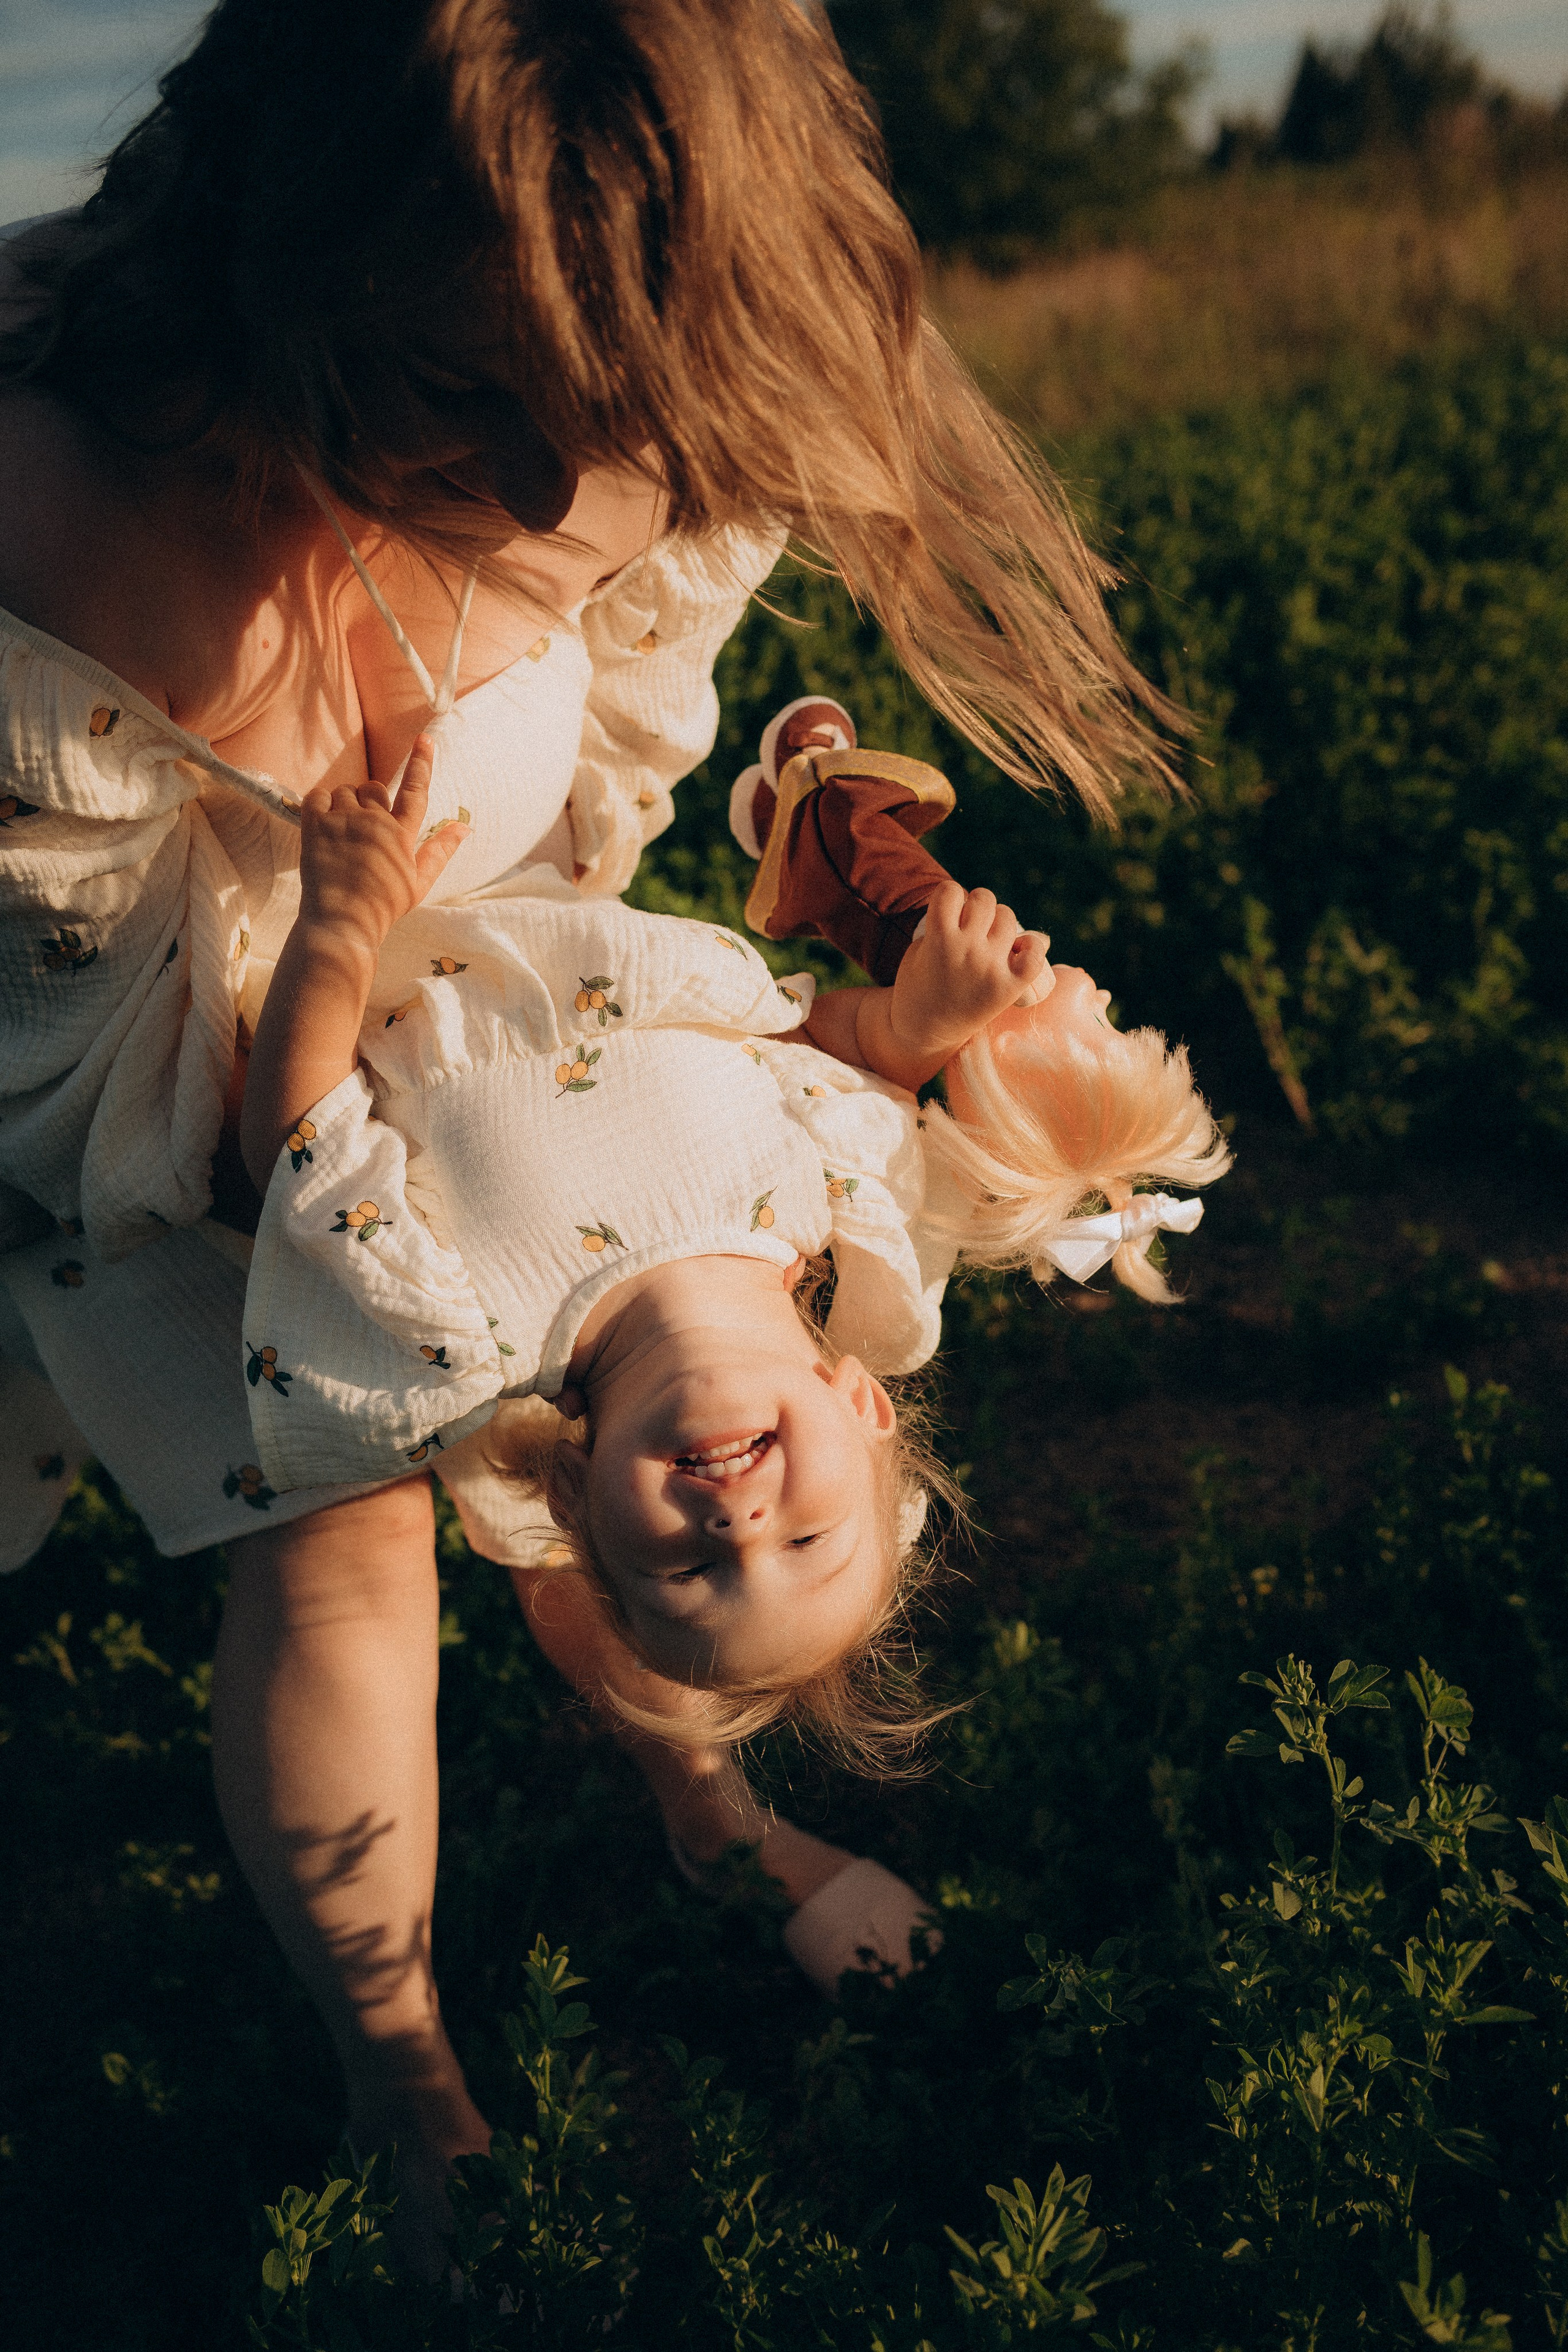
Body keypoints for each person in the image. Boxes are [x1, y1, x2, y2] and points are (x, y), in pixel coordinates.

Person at [0, 0, 1182, 2270]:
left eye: (617, 436)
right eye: (476, 417)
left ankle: (707, 1805)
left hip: (450, 1023)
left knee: (609, 1483)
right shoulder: (77, 567)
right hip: (217, 1126)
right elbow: (213, 1158)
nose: (557, 512)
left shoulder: (618, 365)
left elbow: (665, 935)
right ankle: (399, 2058)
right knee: (339, 1534)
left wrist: (826, 998)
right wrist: (371, 976)